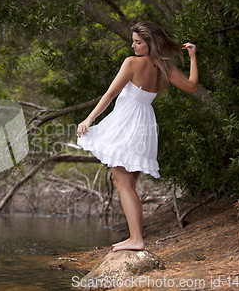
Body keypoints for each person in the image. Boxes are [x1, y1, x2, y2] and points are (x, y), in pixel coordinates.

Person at [76, 21, 198, 252]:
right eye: (133, 41)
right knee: (128, 185)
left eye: (138, 42)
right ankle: (135, 237)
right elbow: (192, 86)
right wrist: (192, 56)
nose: (133, 45)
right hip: (144, 125)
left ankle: (136, 239)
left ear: (150, 43)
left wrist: (88, 119)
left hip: (126, 125)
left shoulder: (131, 63)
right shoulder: (165, 67)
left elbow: (110, 94)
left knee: (124, 185)